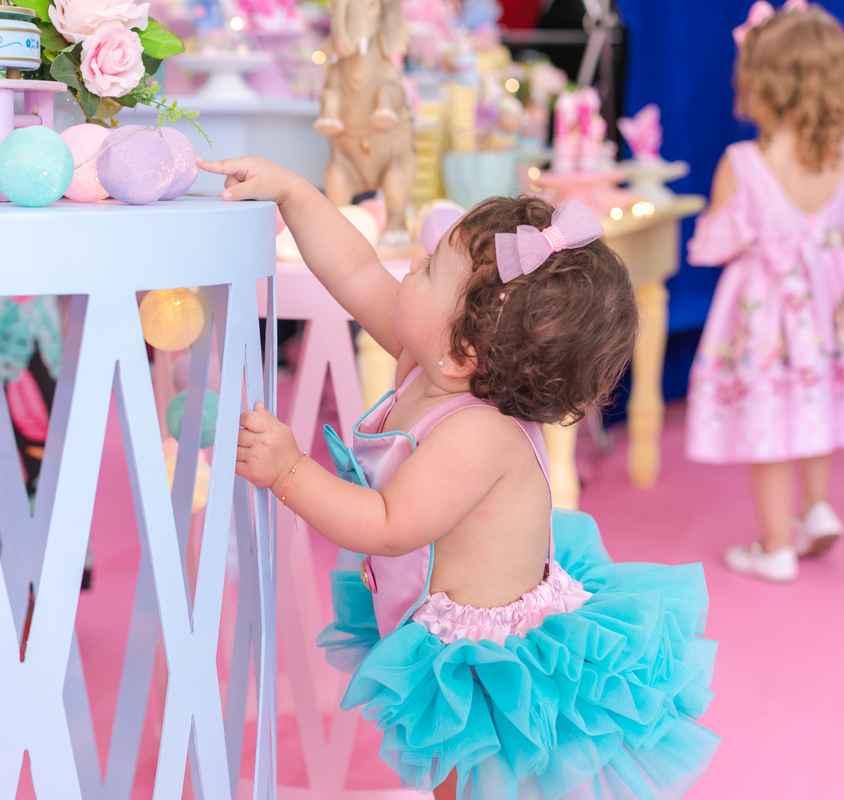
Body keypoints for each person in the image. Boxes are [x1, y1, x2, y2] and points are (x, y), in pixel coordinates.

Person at [199, 155, 719, 799]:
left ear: (462, 351)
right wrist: (295, 194)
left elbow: (389, 527)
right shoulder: (432, 361)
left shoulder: (475, 435)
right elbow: (357, 268)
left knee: (477, 783)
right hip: (439, 624)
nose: (409, 265)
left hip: (489, 662)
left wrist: (289, 471)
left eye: (427, 269)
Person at [686, 2, 844, 582]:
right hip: (824, 316)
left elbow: (711, 245)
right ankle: (818, 505)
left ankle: (776, 544)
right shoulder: (838, 159)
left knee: (769, 425)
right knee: (815, 402)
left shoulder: (743, 163)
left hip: (763, 324)